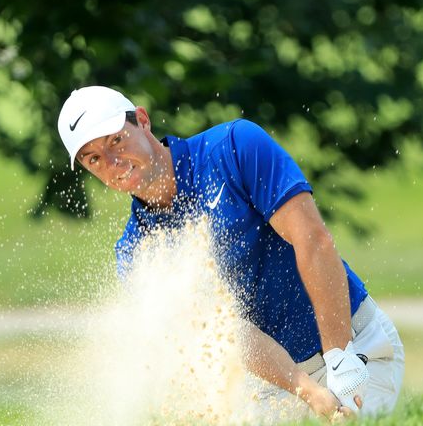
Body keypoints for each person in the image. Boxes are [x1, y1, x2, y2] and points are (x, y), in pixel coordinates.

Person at [56, 85, 404, 421]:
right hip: (272, 385)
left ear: (143, 120)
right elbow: (226, 332)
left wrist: (339, 359)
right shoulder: (139, 257)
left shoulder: (233, 148)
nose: (113, 162)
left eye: (116, 140)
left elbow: (312, 239)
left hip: (353, 345)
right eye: (94, 158)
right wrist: (308, 390)